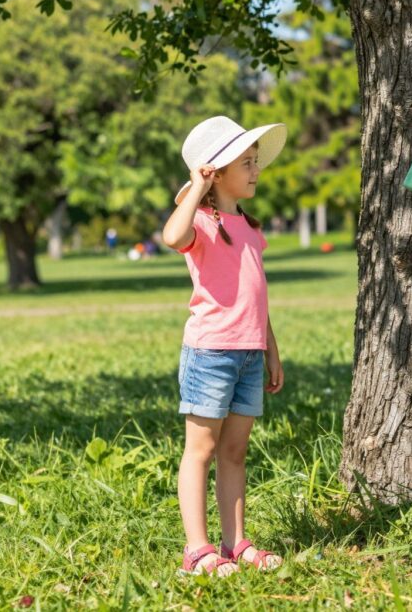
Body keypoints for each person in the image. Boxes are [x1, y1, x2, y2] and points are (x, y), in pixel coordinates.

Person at [161, 115, 289, 577]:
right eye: (247, 163)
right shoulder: (197, 222)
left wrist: (270, 349)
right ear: (216, 173)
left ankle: (235, 542)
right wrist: (197, 185)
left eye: (256, 162)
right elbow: (171, 238)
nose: (256, 170)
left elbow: (258, 295)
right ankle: (197, 549)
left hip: (248, 354)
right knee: (201, 450)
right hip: (211, 352)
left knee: (234, 452)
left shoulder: (251, 227)